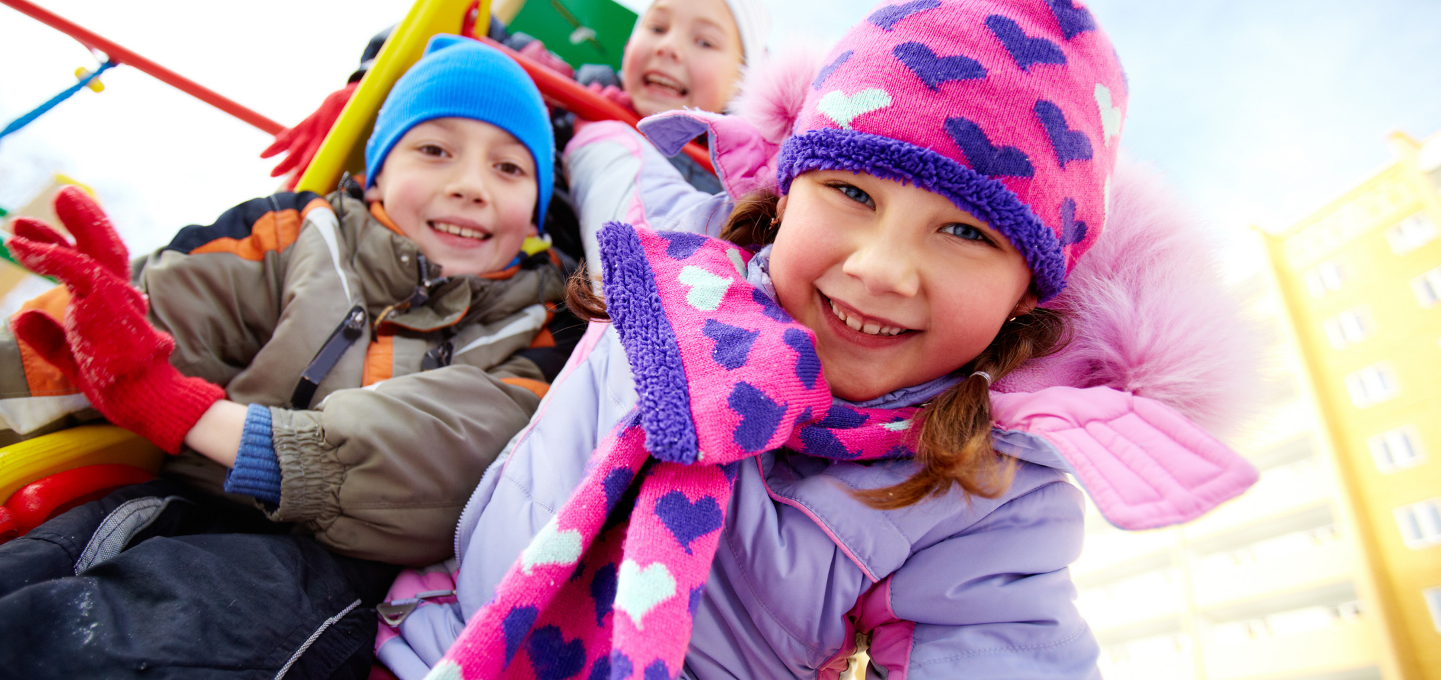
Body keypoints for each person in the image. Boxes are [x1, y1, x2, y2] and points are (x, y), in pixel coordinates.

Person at [368, 1, 1264, 678]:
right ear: (787, 192)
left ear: (1028, 297)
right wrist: (564, 113)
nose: (881, 269)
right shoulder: (687, 260)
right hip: (431, 645)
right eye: (853, 194)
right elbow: (617, 164)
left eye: (965, 234)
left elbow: (1005, 644)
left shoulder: (986, 496)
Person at [0, 36, 579, 678]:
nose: (470, 185)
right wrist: (118, 347)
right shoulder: (301, 235)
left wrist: (182, 409)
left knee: (146, 634)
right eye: (435, 149)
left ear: (540, 209)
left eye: (511, 169)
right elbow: (162, 329)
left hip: (327, 566)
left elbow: (455, 454)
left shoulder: (535, 330)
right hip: (174, 495)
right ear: (377, 171)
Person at [264, 0, 771, 262]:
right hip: (510, 254)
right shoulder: (574, 93)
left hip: (590, 317)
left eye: (704, 41)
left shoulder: (730, 181)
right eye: (656, 27)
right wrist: (373, 84)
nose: (670, 47)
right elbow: (461, 29)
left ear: (743, 79)